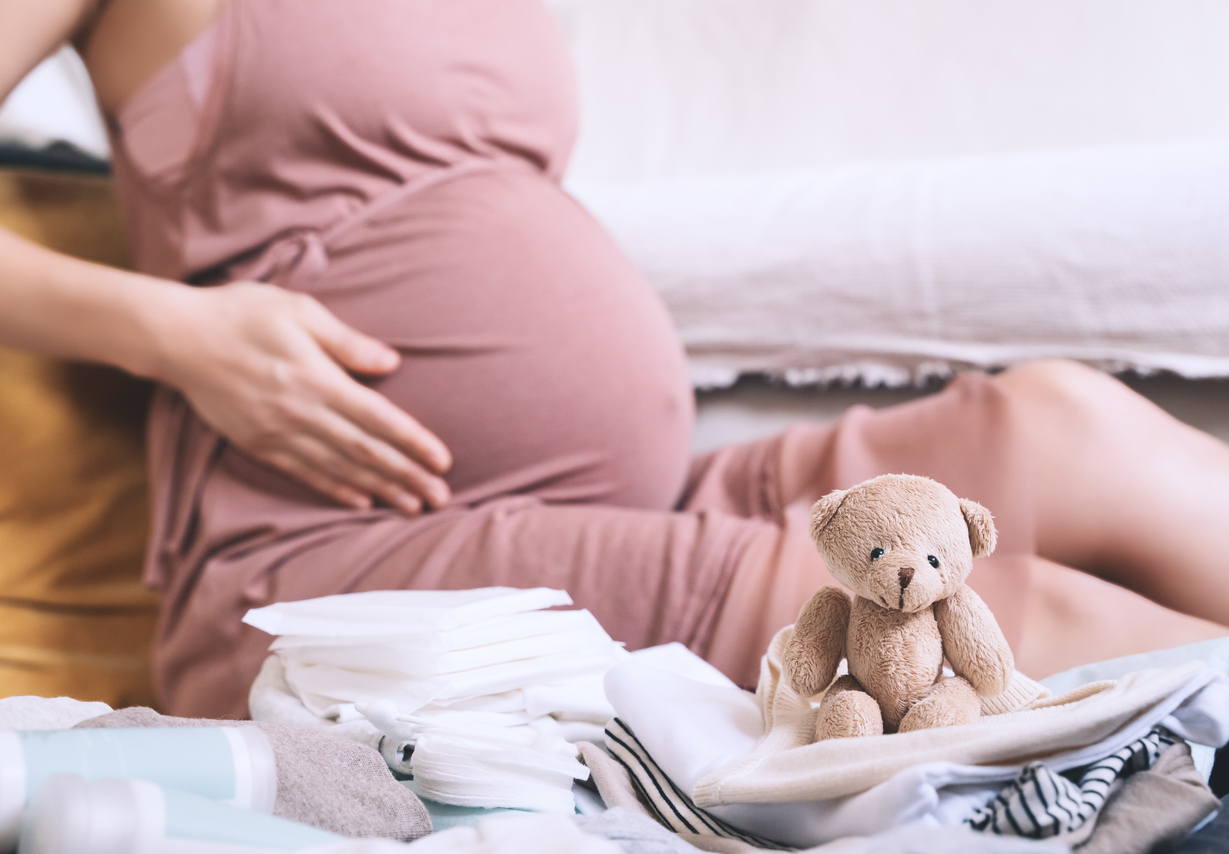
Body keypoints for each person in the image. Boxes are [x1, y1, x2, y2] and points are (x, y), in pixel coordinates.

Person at [3, 0, 1227, 718]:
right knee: (990, 620)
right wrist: (179, 333)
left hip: (602, 497)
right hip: (329, 554)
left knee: (1066, 426)